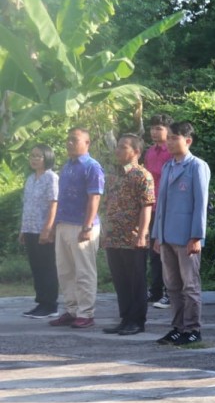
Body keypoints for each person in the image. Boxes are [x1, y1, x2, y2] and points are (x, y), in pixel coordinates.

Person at [151, 121, 211, 346]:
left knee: (190, 285)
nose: (169, 142)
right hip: (167, 236)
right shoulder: (168, 166)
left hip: (187, 237)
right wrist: (158, 235)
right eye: (168, 138)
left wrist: (196, 236)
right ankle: (177, 328)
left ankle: (193, 329)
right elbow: (162, 204)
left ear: (188, 140)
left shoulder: (197, 166)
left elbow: (200, 204)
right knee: (172, 286)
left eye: (174, 138)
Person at [100, 134, 155, 335]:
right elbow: (107, 206)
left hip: (132, 237)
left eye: (123, 147)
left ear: (136, 152)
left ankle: (137, 321)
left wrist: (142, 235)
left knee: (136, 280)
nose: (118, 151)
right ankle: (125, 318)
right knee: (120, 280)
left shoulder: (142, 175)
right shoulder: (114, 176)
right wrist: (105, 231)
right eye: (118, 147)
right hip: (114, 237)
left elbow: (146, 207)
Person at [49, 128, 104, 329]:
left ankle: (86, 313)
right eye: (68, 140)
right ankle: (72, 310)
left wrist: (87, 226)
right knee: (65, 271)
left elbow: (95, 197)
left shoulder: (92, 167)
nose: (69, 143)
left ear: (87, 143)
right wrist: (56, 225)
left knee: (84, 271)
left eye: (74, 140)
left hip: (83, 226)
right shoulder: (67, 166)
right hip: (64, 224)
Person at [20, 144, 59, 319]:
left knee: (47, 267)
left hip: (43, 230)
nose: (34, 159)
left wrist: (48, 229)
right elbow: (27, 205)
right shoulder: (30, 178)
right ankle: (41, 302)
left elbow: (54, 204)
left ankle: (50, 305)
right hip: (30, 229)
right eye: (32, 155)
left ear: (47, 158)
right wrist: (23, 229)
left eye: (39, 156)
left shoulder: (51, 178)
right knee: (36, 267)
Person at [143, 113, 173, 310]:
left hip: (169, 207)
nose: (154, 132)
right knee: (153, 250)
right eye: (153, 128)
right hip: (151, 206)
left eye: (159, 128)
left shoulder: (172, 152)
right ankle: (155, 290)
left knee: (169, 251)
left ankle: (171, 292)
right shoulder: (149, 152)